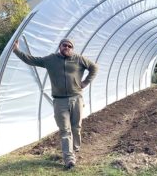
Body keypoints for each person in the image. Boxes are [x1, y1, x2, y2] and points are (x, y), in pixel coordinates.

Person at [13, 38, 98, 169]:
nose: (67, 47)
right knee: (65, 129)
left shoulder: (79, 59)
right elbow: (31, 60)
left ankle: (75, 149)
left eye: (70, 46)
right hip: (60, 101)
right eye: (65, 45)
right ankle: (69, 159)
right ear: (60, 46)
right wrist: (16, 50)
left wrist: (86, 82)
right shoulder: (50, 60)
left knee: (76, 127)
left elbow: (94, 67)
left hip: (77, 98)